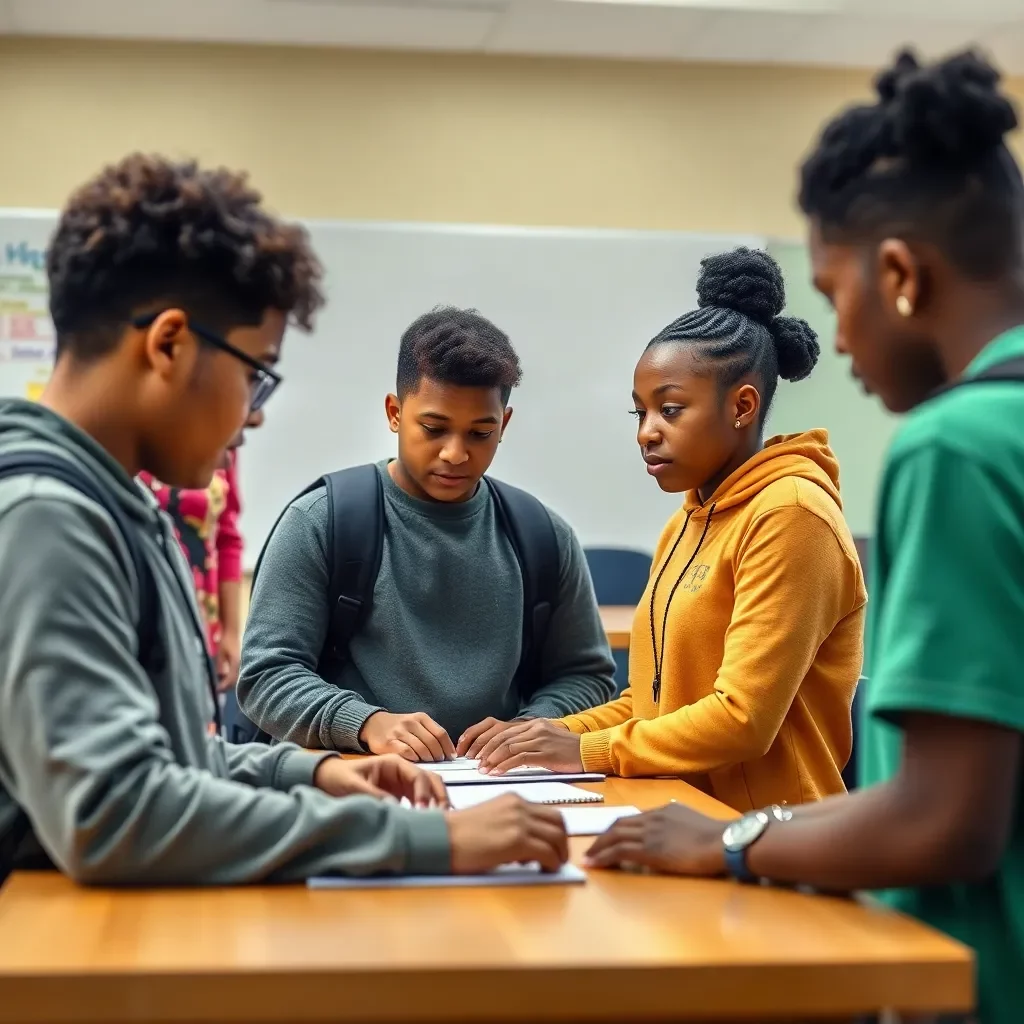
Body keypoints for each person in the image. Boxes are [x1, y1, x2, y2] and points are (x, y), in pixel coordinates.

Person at [585, 48, 1024, 1024]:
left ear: (901, 273)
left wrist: (727, 843)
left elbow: (946, 818)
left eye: (833, 296)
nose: (841, 342)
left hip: (981, 974)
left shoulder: (958, 445)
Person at [0, 153, 569, 885]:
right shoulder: (50, 518)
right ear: (168, 344)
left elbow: (173, 756)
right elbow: (115, 813)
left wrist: (308, 770)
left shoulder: (113, 503)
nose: (256, 414)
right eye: (253, 373)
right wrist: (425, 839)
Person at [474, 248, 867, 814]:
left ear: (742, 406)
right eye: (640, 413)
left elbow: (742, 720)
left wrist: (585, 749)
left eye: (671, 410)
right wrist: (533, 735)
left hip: (768, 838)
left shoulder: (793, 515)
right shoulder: (685, 522)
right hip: (679, 816)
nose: (646, 433)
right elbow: (649, 703)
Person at [238, 307, 616, 760]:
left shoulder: (544, 535)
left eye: (481, 433)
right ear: (395, 412)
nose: (456, 453)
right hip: (353, 790)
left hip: (500, 788)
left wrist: (533, 727)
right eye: (434, 429)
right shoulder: (320, 521)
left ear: (505, 424)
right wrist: (364, 723)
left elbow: (586, 676)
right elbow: (266, 676)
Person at [138, 450, 244, 690]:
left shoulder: (223, 434)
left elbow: (227, 539)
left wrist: (230, 632)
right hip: (146, 614)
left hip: (203, 626)